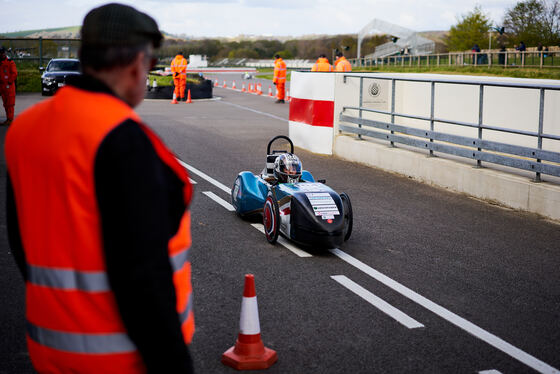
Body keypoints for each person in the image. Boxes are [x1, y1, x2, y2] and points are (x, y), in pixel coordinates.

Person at [5, 4, 195, 373]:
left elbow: (20, 239)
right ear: (137, 63)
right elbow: (142, 274)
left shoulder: (25, 130)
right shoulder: (122, 139)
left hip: (51, 349)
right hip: (122, 359)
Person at [0, 46, 17, 125]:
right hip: (2, 87)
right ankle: (8, 119)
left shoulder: (10, 62)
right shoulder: (0, 63)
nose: (2, 54)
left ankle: (10, 119)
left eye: (2, 53)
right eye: (0, 53)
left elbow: (14, 73)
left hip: (9, 87)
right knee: (5, 104)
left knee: (10, 104)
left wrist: (9, 82)